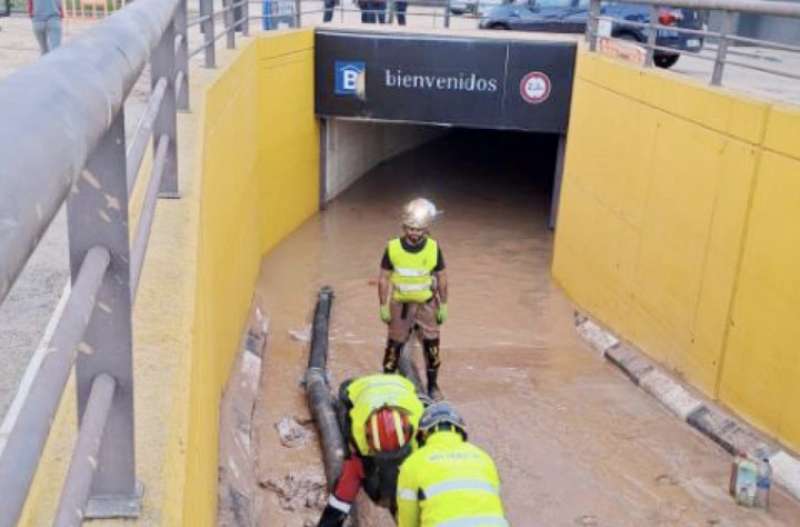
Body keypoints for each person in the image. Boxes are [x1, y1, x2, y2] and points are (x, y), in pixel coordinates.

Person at [317, 373, 426, 527]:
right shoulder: (358, 434)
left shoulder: (420, 424)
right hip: (357, 388)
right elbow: (343, 493)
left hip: (401, 385)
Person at [396, 402, 508, 527]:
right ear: (460, 431)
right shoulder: (484, 458)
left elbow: (408, 522)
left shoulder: (412, 463)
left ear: (423, 435)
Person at [379, 198, 448, 399]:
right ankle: (387, 384)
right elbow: (383, 278)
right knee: (394, 346)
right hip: (400, 305)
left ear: (426, 229)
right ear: (404, 227)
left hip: (427, 305)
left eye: (418, 230)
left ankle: (433, 387)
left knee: (432, 348)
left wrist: (443, 305)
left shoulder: (434, 248)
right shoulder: (392, 248)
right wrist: (383, 305)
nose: (414, 233)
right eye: (410, 228)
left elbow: (442, 278)